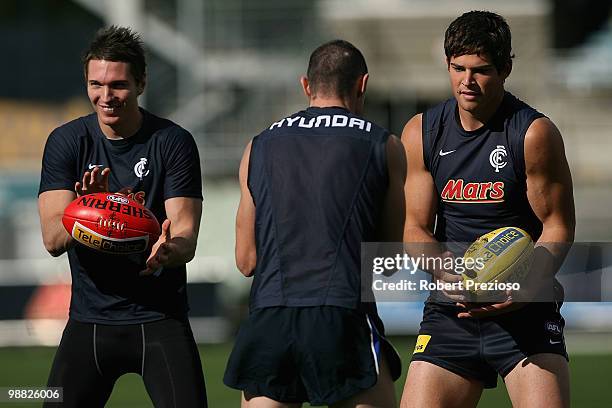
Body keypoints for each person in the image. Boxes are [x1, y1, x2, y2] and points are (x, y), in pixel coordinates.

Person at [400, 11, 575, 408]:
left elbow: (558, 225)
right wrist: (444, 271)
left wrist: (530, 283)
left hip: (525, 313)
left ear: (506, 68)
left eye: (480, 70)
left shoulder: (533, 133)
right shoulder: (421, 132)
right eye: (457, 68)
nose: (467, 81)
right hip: (452, 312)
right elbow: (414, 230)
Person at [223, 39, 405, 408]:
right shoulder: (384, 144)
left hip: (270, 318)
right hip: (340, 317)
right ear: (363, 85)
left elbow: (246, 261)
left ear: (306, 85)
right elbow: (390, 260)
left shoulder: (257, 146)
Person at [38, 26, 207, 407]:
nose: (106, 96)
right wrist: (87, 212)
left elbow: (185, 235)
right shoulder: (66, 142)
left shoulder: (172, 141)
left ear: (142, 82)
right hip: (88, 322)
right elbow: (51, 240)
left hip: (160, 318)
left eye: (118, 85)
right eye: (96, 84)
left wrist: (168, 250)